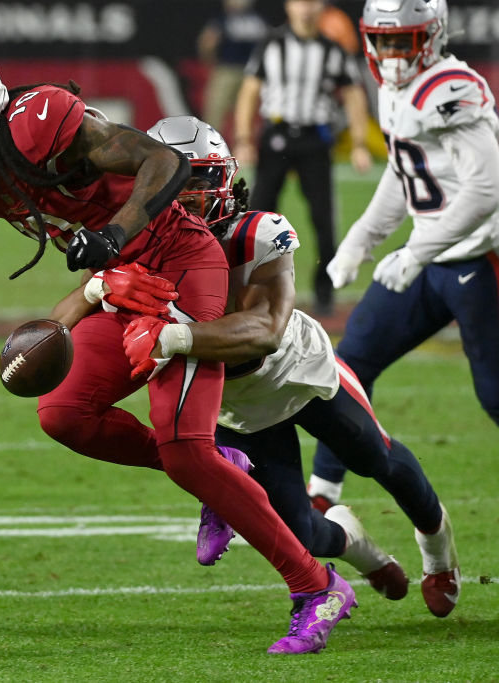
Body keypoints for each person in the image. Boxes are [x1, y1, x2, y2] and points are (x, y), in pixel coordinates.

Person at [0, 40, 355, 655]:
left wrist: (113, 239)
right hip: (130, 280)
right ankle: (222, 474)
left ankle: (315, 586)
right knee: (63, 412)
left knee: (185, 444)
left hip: (184, 264)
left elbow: (164, 164)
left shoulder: (39, 122)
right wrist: (106, 277)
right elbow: (75, 237)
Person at [129, 115, 458, 618]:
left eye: (195, 180)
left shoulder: (257, 232)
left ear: (223, 180)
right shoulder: (139, 248)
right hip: (237, 405)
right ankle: (364, 550)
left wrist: (171, 337)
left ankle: (440, 556)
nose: (183, 196)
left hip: (298, 371)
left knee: (376, 458)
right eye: (170, 181)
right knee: (300, 530)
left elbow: (264, 329)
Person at [308, 0, 493, 614]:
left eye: (404, 41)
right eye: (382, 42)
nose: (390, 56)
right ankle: (323, 491)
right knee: (345, 367)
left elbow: (488, 187)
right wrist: (360, 240)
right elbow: (403, 171)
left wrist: (421, 248)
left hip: (479, 262)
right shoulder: (397, 93)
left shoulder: (453, 88)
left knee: (495, 396)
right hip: (424, 259)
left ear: (432, 36)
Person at [234, 0, 372, 316]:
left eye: (311, 2)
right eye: (300, 2)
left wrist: (360, 143)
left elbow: (353, 93)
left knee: (324, 220)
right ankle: (248, 288)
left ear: (321, 7)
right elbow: (249, 91)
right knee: (257, 217)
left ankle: (324, 293)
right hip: (276, 137)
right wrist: (243, 138)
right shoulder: (271, 44)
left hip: (315, 140)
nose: (306, 9)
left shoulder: (332, 49)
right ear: (288, 6)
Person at [196, 0, 268, 136]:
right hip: (227, 69)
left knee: (245, 115)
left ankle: (241, 148)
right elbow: (207, 42)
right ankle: (209, 149)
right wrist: (211, 62)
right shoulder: (222, 18)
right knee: (216, 112)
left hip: (250, 73)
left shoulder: (257, 19)